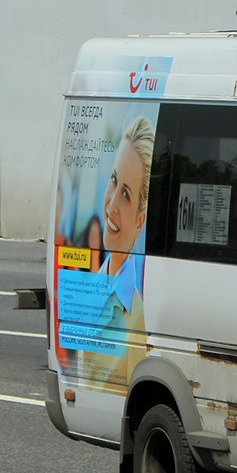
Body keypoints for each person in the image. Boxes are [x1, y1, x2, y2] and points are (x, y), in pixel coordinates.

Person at [81, 114, 154, 391]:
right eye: (113, 180)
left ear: (139, 221)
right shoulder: (92, 288)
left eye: (125, 195)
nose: (111, 205)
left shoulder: (136, 317)